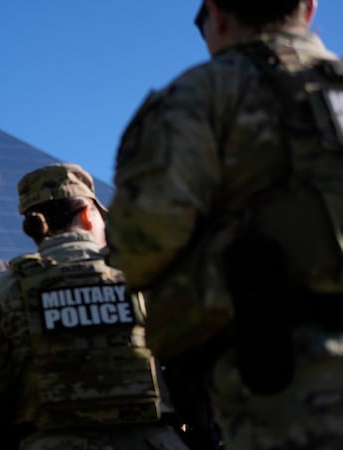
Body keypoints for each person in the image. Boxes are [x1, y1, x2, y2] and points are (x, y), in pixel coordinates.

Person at [108, 1, 343, 448]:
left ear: (217, 17)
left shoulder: (205, 93)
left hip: (287, 383)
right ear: (310, 9)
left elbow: (141, 241)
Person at [0, 163, 187, 450]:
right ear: (88, 214)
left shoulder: (2, 293)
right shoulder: (148, 276)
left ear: (33, 228)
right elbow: (199, 365)